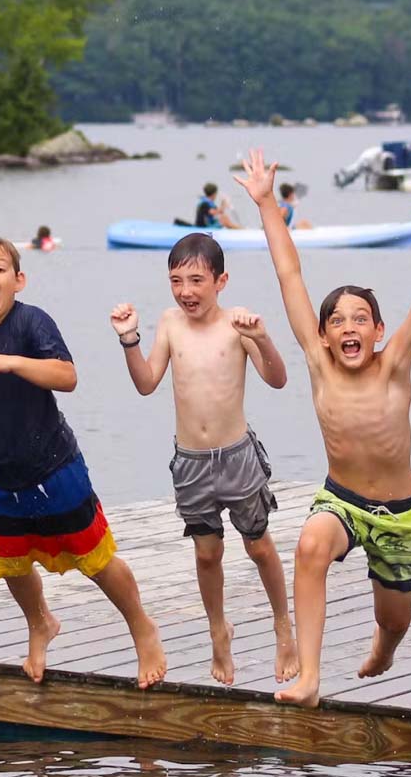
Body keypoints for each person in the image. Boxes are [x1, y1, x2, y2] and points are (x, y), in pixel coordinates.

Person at [235, 148, 411, 707]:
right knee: (309, 546)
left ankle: (385, 648)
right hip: (341, 501)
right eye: (336, 321)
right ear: (323, 335)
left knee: (393, 616)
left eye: (360, 320)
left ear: (379, 331)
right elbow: (289, 272)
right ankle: (309, 678)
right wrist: (267, 203)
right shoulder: (319, 362)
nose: (348, 328)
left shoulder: (395, 365)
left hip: (399, 514)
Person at [0, 236, 167, 688]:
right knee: (13, 566)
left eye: (0, 269)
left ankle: (142, 626)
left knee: (96, 559)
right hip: (1, 475)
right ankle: (39, 622)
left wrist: (10, 363)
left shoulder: (31, 322)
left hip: (55, 468)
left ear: (18, 281)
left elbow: (67, 376)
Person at [109, 232, 297, 686]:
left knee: (258, 545)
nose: (186, 291)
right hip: (191, 461)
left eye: (196, 280)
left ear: (221, 280)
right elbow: (146, 383)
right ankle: (219, 630)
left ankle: (282, 624)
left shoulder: (237, 323)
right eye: (177, 280)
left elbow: (278, 379)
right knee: (207, 553)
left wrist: (263, 338)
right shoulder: (170, 323)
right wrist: (129, 340)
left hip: (236, 456)